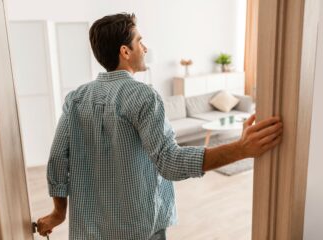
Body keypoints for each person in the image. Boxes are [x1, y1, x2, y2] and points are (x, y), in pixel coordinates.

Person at [37, 13, 283, 240]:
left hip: (88, 230)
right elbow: (170, 162)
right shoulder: (143, 96)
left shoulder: (76, 98)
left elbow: (58, 160)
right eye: (140, 41)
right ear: (125, 51)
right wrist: (242, 149)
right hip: (138, 229)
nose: (144, 48)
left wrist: (58, 212)